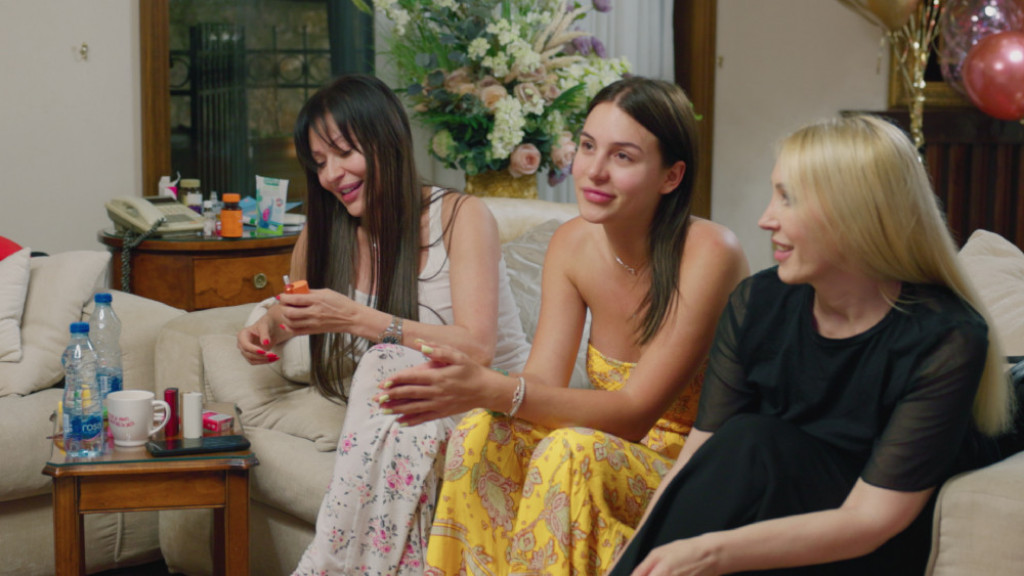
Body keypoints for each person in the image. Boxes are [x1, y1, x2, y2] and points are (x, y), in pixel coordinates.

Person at [606, 114, 1017, 576]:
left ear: (855, 213)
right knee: (745, 441)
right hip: (775, 514)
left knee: (753, 440)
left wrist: (709, 551)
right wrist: (633, 556)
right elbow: (698, 460)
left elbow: (871, 520)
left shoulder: (946, 337)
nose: (765, 219)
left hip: (874, 533)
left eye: (788, 198)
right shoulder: (757, 303)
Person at [376, 76, 750, 575]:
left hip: (696, 468)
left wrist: (493, 388)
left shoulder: (711, 253)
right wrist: (470, 384)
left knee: (570, 450)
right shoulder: (571, 244)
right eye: (589, 146)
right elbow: (542, 382)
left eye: (623, 156)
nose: (593, 171)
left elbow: (635, 413)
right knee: (482, 431)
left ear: (671, 176)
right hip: (608, 451)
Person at [236, 74, 532, 575]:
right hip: (410, 420)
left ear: (386, 141)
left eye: (344, 152)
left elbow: (477, 348)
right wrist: (270, 323)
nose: (332, 174)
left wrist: (358, 318)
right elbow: (295, 312)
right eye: (319, 162)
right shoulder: (325, 234)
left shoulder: (460, 217)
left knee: (389, 360)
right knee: (405, 408)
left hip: (490, 409)